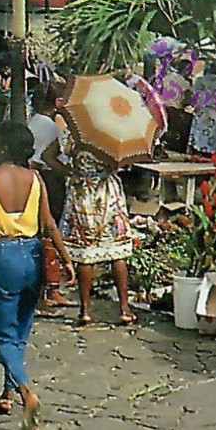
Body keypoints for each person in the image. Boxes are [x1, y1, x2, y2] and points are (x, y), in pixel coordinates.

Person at [0, 120, 71, 430]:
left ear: (4, 147)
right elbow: (48, 222)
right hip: (33, 254)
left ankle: (25, 391)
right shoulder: (36, 179)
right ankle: (7, 392)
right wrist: (66, 259)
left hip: (2, 254)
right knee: (21, 328)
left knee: (3, 332)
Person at [57, 136, 138, 326]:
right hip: (107, 193)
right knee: (117, 251)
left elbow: (49, 155)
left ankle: (84, 311)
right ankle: (124, 309)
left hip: (82, 191)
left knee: (86, 253)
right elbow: (123, 162)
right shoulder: (112, 134)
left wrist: (71, 172)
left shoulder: (74, 130)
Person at [27, 83, 73, 315]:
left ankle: (50, 288)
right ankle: (46, 291)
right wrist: (69, 174)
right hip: (48, 179)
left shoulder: (36, 121)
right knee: (47, 235)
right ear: (57, 103)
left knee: (44, 235)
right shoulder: (52, 129)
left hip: (38, 176)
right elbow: (50, 157)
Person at [188, 67, 216, 157]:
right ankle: (209, 153)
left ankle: (198, 152)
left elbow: (193, 96)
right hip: (215, 112)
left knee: (199, 134)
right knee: (212, 134)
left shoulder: (200, 81)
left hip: (202, 111)